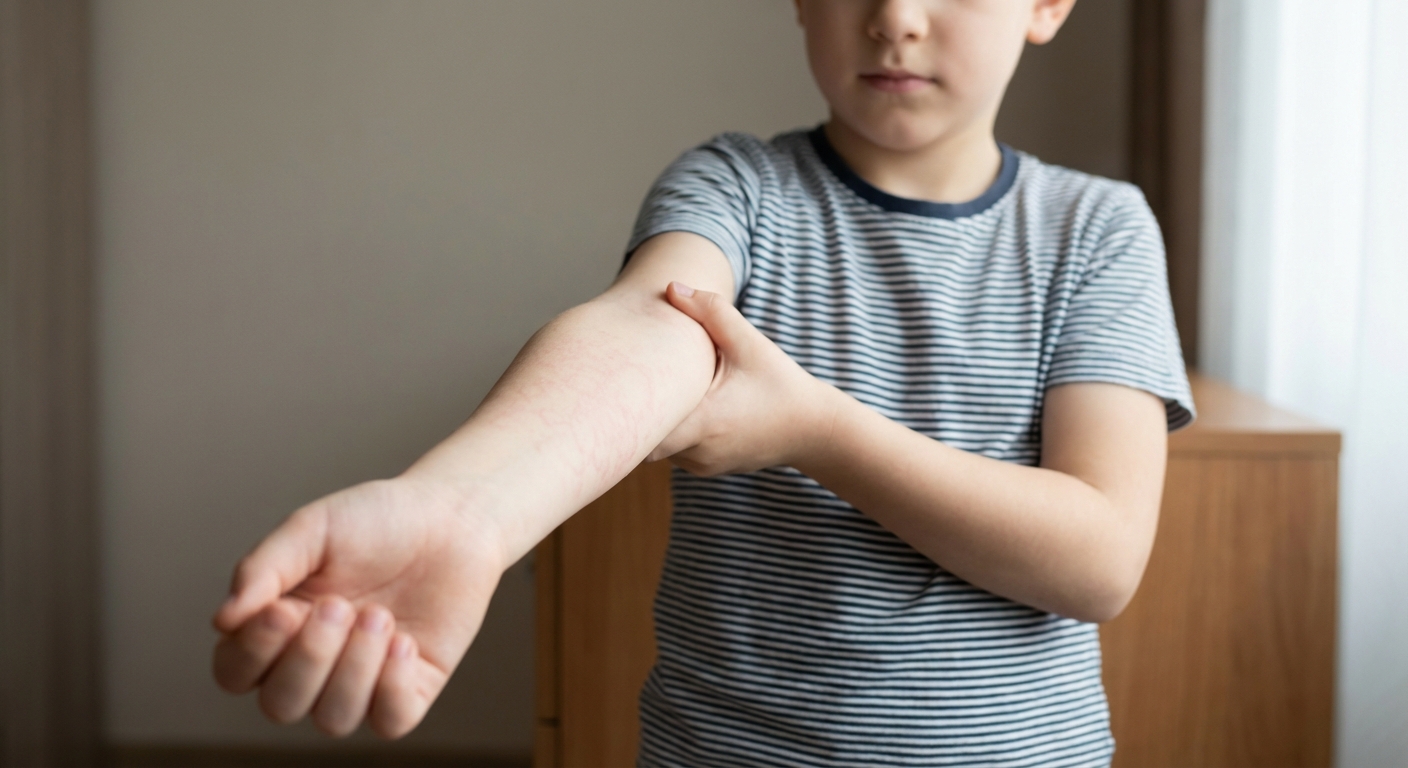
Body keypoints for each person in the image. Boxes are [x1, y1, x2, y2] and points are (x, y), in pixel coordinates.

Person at [211, 0, 1194, 764]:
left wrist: (816, 429)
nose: (896, 14)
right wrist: (466, 510)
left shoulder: (1097, 230)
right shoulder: (734, 188)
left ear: (1048, 3)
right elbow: (649, 332)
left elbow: (1098, 556)